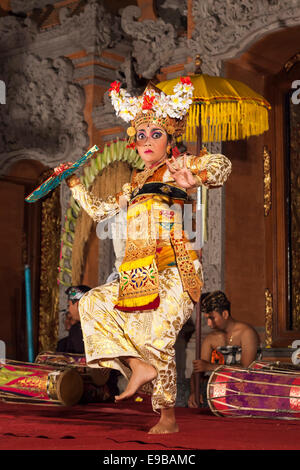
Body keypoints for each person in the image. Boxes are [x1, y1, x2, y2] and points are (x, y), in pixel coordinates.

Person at [65, 78, 232, 433]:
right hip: (140, 273)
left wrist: (196, 172)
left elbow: (221, 167)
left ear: (170, 140)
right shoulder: (134, 184)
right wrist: (75, 185)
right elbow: (98, 211)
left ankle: (167, 416)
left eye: (155, 134)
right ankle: (136, 365)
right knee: (92, 304)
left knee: (158, 338)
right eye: (141, 135)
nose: (146, 141)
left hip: (175, 273)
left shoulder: (176, 167)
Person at [188, 290, 261, 408]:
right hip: (219, 393)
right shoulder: (211, 339)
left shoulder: (246, 333)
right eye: (207, 319)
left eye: (212, 318)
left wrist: (210, 367)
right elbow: (198, 370)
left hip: (248, 392)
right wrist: (194, 392)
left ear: (225, 314)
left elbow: (247, 369)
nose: (209, 324)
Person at [56, 285, 91, 354]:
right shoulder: (100, 324)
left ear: (77, 304)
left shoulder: (76, 330)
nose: (68, 310)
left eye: (69, 305)